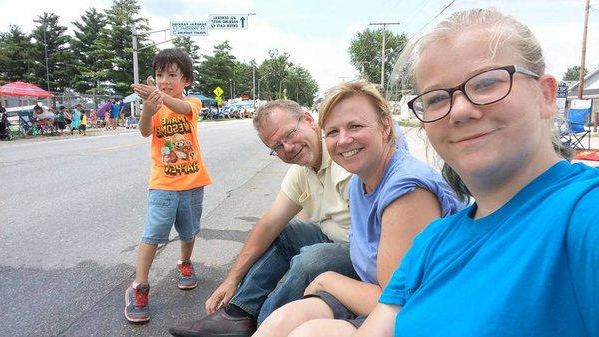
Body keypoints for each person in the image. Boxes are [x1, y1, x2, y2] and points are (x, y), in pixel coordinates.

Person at [354, 8, 599, 337]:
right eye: (438, 98)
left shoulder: (582, 214)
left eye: (486, 83)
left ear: (545, 95)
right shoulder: (433, 242)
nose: (460, 110)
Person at [254, 81, 463, 337]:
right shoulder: (360, 183)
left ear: (385, 125)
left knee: (307, 332)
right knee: (281, 321)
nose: (343, 140)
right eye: (332, 132)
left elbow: (396, 302)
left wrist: (327, 279)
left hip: (421, 315)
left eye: (355, 126)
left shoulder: (408, 192)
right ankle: (240, 314)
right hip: (372, 294)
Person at [169, 100, 356, 337]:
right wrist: (231, 280)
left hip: (365, 256)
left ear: (309, 120)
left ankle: (262, 326)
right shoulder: (301, 171)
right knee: (285, 232)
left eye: (289, 134)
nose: (287, 148)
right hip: (334, 238)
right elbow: (269, 224)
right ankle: (237, 314)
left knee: (311, 259)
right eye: (277, 146)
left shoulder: (344, 158)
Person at [124, 48, 212, 323]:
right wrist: (149, 107)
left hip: (193, 182)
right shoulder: (155, 104)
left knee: (189, 230)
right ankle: (140, 286)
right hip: (163, 184)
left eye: (172, 75)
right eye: (160, 74)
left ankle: (185, 264)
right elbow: (145, 131)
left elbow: (184, 109)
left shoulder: (193, 103)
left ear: (186, 80)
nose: (164, 80)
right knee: (153, 233)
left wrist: (159, 97)